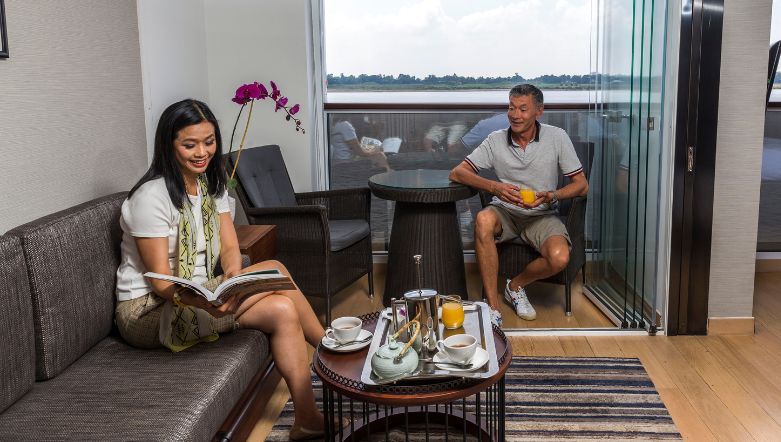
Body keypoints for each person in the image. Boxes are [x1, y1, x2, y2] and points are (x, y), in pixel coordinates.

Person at [114, 99, 333, 440]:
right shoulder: (151, 198)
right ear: (168, 145)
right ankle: (333, 352)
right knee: (277, 286)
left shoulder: (210, 184)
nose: (202, 152)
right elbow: (159, 280)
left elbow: (231, 247)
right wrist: (204, 302)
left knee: (281, 307)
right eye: (190, 144)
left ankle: (307, 417)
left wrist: (233, 280)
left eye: (209, 141)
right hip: (148, 312)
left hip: (197, 291)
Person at [449, 84, 589, 327]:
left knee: (559, 257)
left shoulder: (557, 137)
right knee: (483, 219)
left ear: (539, 111)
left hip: (542, 215)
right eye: (511, 107)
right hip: (505, 212)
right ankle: (492, 308)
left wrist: (552, 195)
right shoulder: (494, 140)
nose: (515, 114)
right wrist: (495, 188)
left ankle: (515, 286)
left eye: (523, 109)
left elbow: (581, 185)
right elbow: (457, 173)